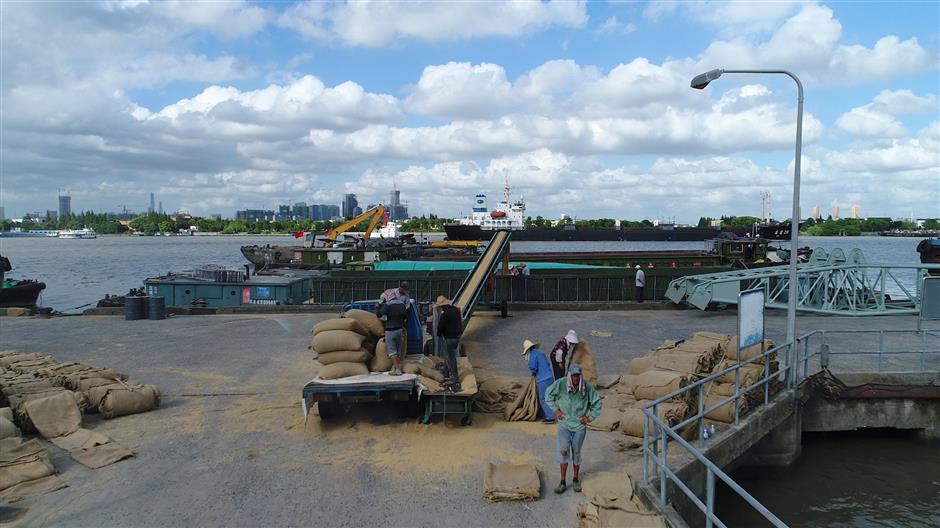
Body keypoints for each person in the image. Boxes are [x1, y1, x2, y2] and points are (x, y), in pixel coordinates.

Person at [545, 364, 602, 494]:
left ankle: (575, 479)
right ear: (570, 375)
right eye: (573, 375)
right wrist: (556, 411)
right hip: (564, 424)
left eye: (578, 375)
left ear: (580, 375)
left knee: (576, 451)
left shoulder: (586, 387)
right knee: (563, 451)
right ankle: (563, 482)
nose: (576, 378)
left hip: (579, 426)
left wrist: (589, 417)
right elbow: (548, 395)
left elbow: (597, 402)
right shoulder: (561, 384)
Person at [523, 339, 555, 423]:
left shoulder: (533, 355)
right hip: (550, 377)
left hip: (542, 379)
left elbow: (533, 367)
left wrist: (533, 373)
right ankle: (546, 414)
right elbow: (548, 364)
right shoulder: (541, 353)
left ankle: (550, 417)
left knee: (542, 398)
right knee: (549, 397)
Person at [435, 296, 462, 390]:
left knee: (450, 358)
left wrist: (438, 334)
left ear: (444, 305)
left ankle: (455, 379)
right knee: (447, 355)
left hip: (449, 338)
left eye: (441, 306)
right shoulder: (456, 310)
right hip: (457, 337)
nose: (441, 308)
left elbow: (440, 327)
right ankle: (445, 372)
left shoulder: (445, 314)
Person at [377, 297, 408, 376]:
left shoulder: (388, 304)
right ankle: (395, 367)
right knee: (397, 350)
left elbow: (379, 314)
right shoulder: (402, 304)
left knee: (392, 351)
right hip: (400, 330)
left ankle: (397, 370)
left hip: (391, 330)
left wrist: (378, 307)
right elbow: (405, 317)